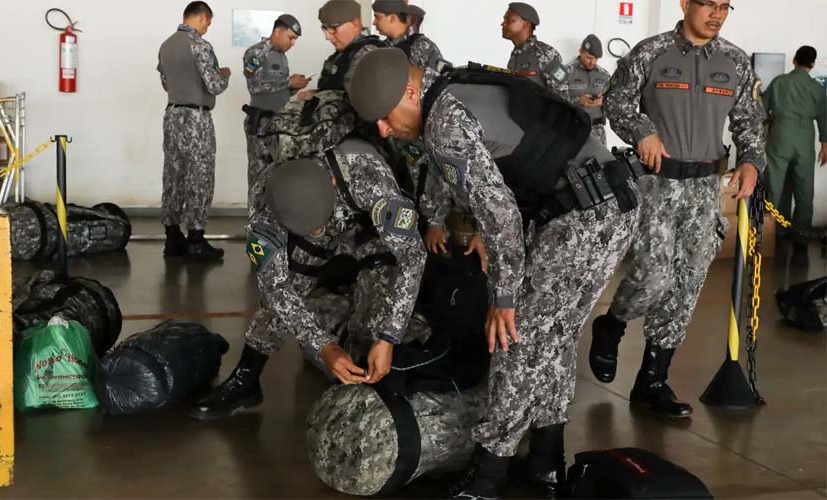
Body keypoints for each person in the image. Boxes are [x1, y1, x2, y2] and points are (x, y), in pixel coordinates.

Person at [348, 48, 642, 499]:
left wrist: (503, 297)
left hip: (585, 215)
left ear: (409, 90)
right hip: (600, 203)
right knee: (552, 338)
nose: (385, 130)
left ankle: (488, 476)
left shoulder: (444, 122)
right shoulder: (454, 86)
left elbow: (500, 214)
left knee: (514, 336)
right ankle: (546, 460)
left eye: (385, 117)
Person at [592, 0, 766, 419]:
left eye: (724, 6)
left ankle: (652, 383)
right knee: (653, 276)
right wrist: (642, 131)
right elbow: (616, 101)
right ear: (685, 3)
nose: (717, 14)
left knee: (686, 285)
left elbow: (749, 120)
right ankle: (611, 325)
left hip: (705, 186)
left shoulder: (734, 62)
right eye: (708, 4)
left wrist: (751, 161)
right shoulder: (651, 52)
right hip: (658, 183)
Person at [190, 136, 426, 419]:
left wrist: (389, 337)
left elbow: (413, 256)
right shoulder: (266, 204)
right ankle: (246, 378)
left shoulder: (367, 174)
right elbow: (276, 287)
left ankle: (367, 357)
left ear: (332, 183)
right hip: (310, 235)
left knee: (381, 302)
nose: (317, 232)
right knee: (287, 291)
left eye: (318, 225)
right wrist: (322, 346)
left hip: (369, 230)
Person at [157, 1, 229, 260]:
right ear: (202, 18)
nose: (208, 26)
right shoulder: (200, 45)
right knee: (200, 175)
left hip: (173, 115)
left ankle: (172, 237)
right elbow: (214, 85)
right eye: (208, 22)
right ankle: (196, 239)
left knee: (173, 175)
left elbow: (166, 83)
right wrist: (224, 75)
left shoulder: (166, 45)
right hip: (196, 119)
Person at [243, 15, 310, 216]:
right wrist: (288, 82)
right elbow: (255, 86)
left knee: (279, 173)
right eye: (291, 37)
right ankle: (255, 220)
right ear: (278, 32)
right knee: (258, 175)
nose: (292, 43)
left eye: (295, 39)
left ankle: (274, 220)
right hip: (261, 124)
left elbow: (278, 90)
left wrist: (295, 86)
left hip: (279, 123)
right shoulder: (256, 53)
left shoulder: (282, 57)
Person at [763, 45, 827, 238]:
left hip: (780, 136)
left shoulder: (779, 82)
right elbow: (824, 118)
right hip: (805, 140)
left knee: (774, 186)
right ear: (812, 64)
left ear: (794, 60)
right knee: (804, 190)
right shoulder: (817, 88)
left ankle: (771, 235)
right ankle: (802, 235)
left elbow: (761, 110)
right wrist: (824, 145)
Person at [297, 0, 384, 99]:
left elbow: (362, 101)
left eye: (333, 28)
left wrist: (319, 97)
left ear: (355, 24)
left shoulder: (368, 54)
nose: (327, 37)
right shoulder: (343, 53)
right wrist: (315, 94)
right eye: (325, 29)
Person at [503, 2, 570, 100]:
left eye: (509, 20)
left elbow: (563, 96)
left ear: (526, 24)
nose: (503, 23)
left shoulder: (544, 53)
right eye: (504, 19)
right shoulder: (515, 55)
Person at [372, 0, 447, 71]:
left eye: (377, 17)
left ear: (392, 18)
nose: (374, 22)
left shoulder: (423, 47)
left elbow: (441, 77)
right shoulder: (380, 46)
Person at [566, 35, 611, 146]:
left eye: (596, 59)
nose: (592, 62)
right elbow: (556, 99)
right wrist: (578, 100)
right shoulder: (567, 72)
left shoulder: (604, 75)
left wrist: (604, 101)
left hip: (597, 131)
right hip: (573, 129)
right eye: (589, 58)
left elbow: (615, 99)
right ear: (580, 51)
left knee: (601, 157)